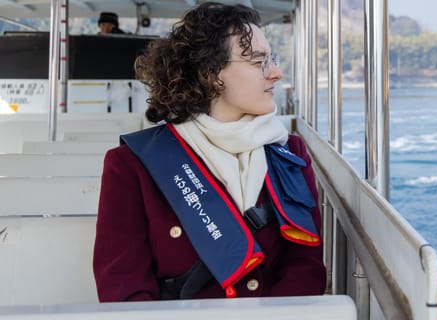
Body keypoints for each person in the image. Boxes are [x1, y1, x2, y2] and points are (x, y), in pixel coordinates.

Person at [93, 2, 326, 301]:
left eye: (273, 59)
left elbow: (304, 268)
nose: (277, 73)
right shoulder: (131, 165)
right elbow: (125, 289)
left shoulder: (289, 153)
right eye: (258, 62)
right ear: (211, 73)